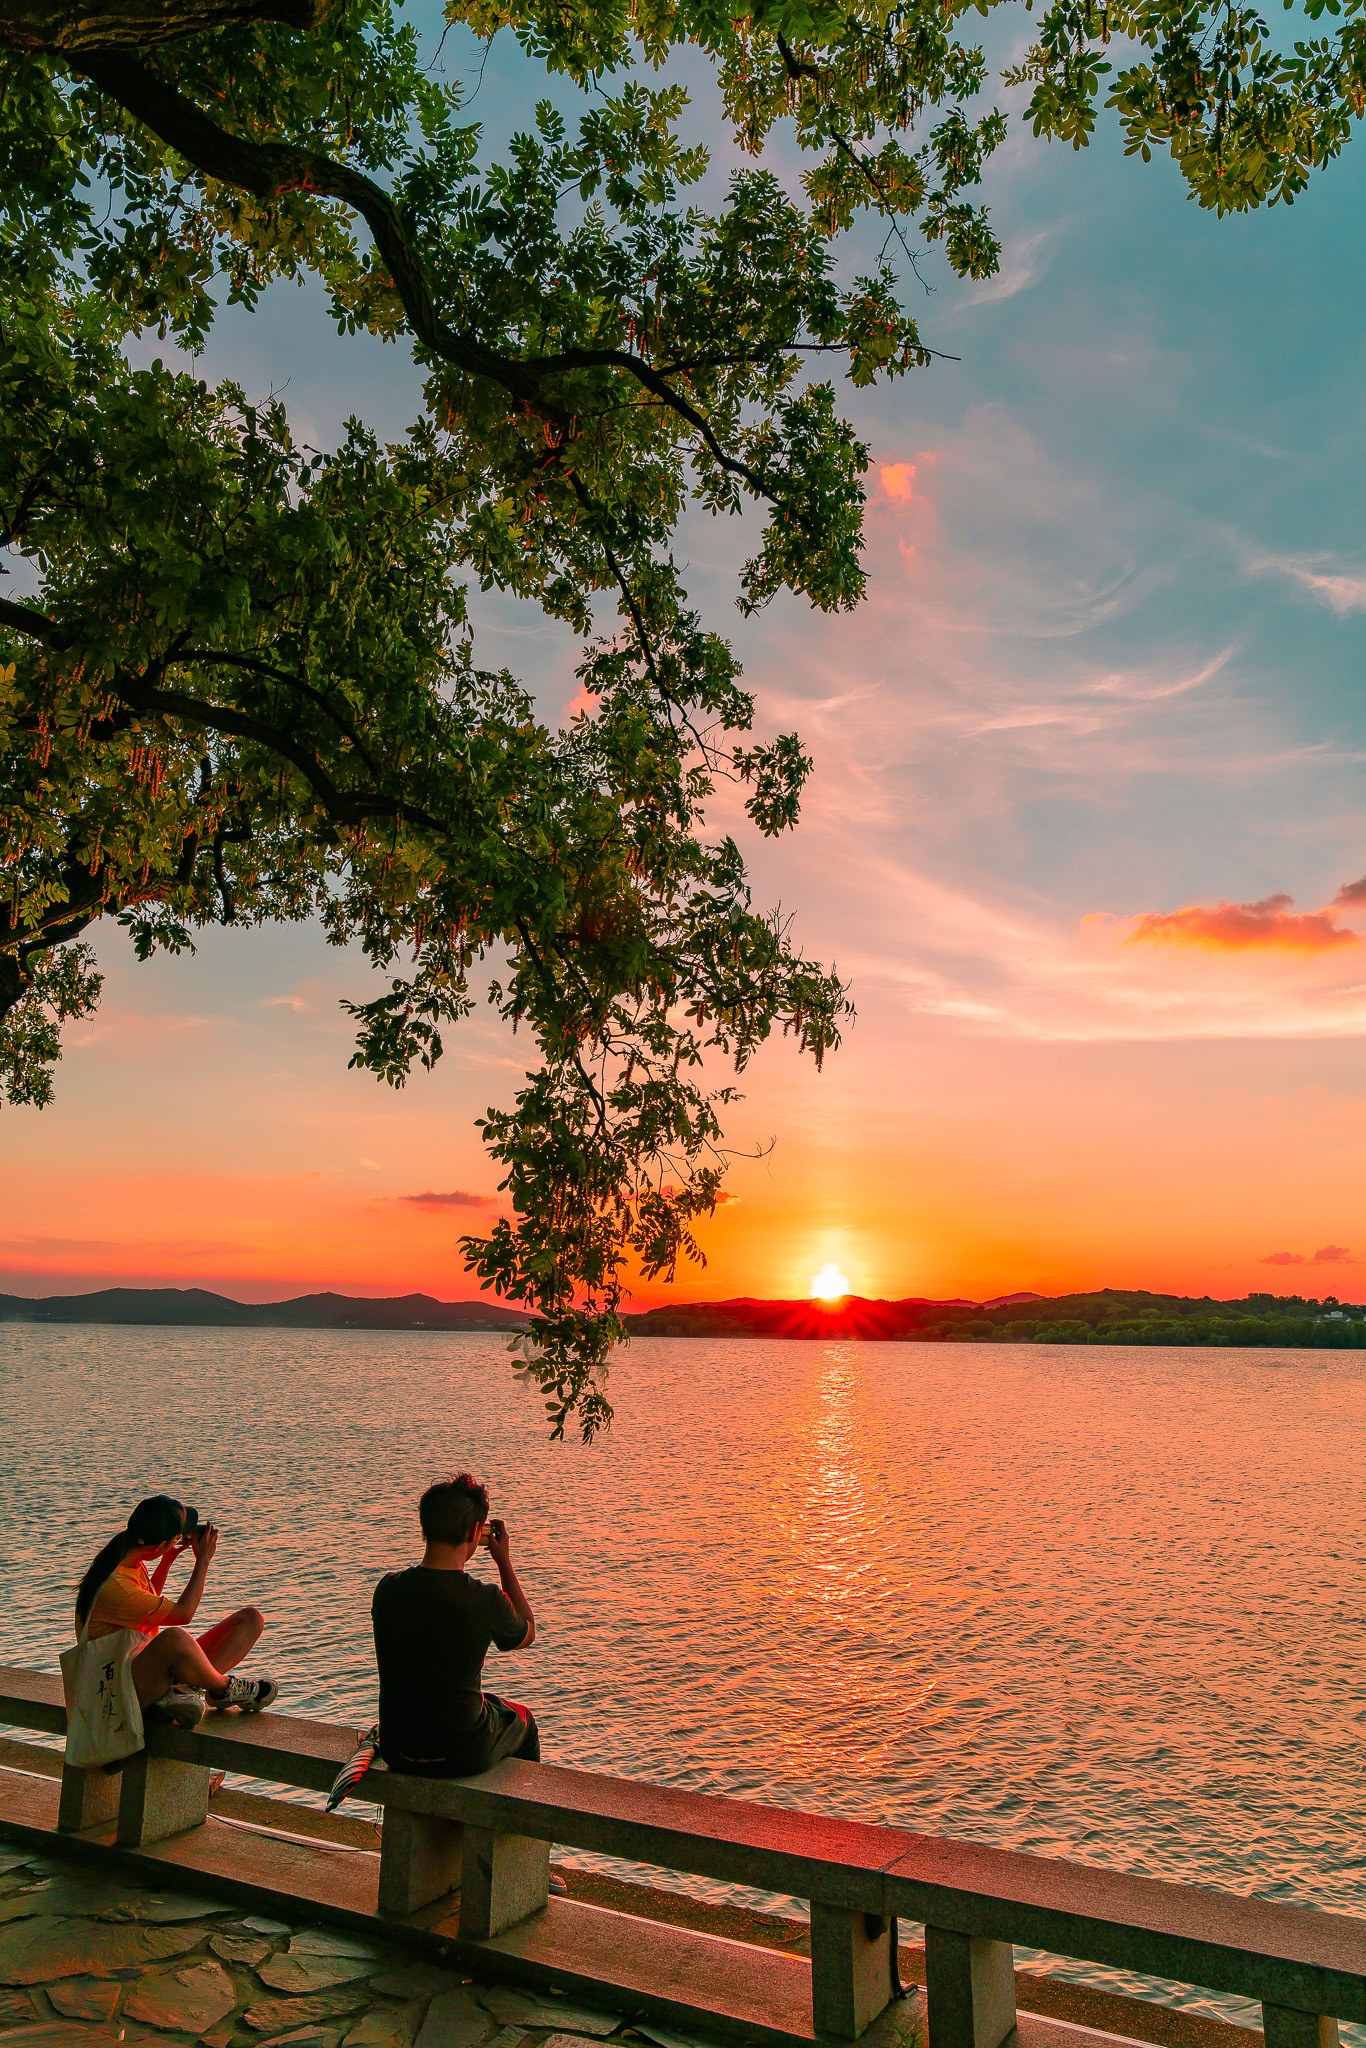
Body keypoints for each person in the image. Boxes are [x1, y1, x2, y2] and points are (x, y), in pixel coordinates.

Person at [371, 1473, 540, 1776]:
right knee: (523, 1721)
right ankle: (517, 1818)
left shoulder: (388, 1589)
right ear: (476, 1531)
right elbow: (527, 1631)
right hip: (461, 1752)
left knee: (484, 1703)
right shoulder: (485, 1598)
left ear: (425, 1527)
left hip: (398, 1749)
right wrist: (504, 1562)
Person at [74, 1495, 279, 1728]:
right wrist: (202, 1561)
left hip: (147, 1671)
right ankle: (223, 1688)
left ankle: (190, 1690)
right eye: (177, 1537)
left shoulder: (127, 1562)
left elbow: (146, 1606)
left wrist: (166, 1561)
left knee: (251, 1619)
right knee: (175, 1638)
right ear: (160, 1545)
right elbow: (184, 1615)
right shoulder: (115, 1586)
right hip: (119, 1692)